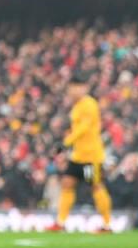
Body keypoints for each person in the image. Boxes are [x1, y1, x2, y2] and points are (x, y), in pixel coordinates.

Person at [47, 71, 113, 233]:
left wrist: (65, 143)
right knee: (67, 184)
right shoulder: (77, 106)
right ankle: (61, 223)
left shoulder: (89, 104)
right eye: (70, 88)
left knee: (96, 187)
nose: (72, 92)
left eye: (75, 88)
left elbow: (83, 128)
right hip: (78, 156)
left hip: (90, 158)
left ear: (83, 88)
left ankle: (107, 224)